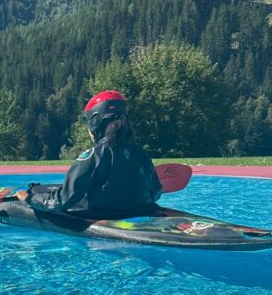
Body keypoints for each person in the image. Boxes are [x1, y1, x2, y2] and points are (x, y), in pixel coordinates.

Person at [16, 90, 162, 216]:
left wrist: (29, 199)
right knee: (40, 188)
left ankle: (32, 192)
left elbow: (62, 201)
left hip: (101, 213)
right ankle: (36, 190)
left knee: (38, 192)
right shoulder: (141, 154)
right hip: (141, 210)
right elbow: (156, 193)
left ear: (95, 123)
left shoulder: (93, 155)